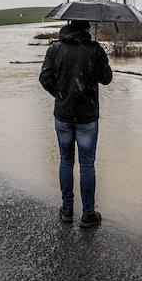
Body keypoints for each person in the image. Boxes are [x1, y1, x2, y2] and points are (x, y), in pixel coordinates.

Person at [39, 19, 113, 228]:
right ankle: (88, 214)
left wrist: (60, 95)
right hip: (87, 115)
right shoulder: (94, 49)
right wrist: (99, 58)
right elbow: (106, 78)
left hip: (63, 114)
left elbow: (44, 78)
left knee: (66, 160)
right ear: (86, 29)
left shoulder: (55, 48)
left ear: (68, 26)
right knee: (87, 164)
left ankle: (67, 210)